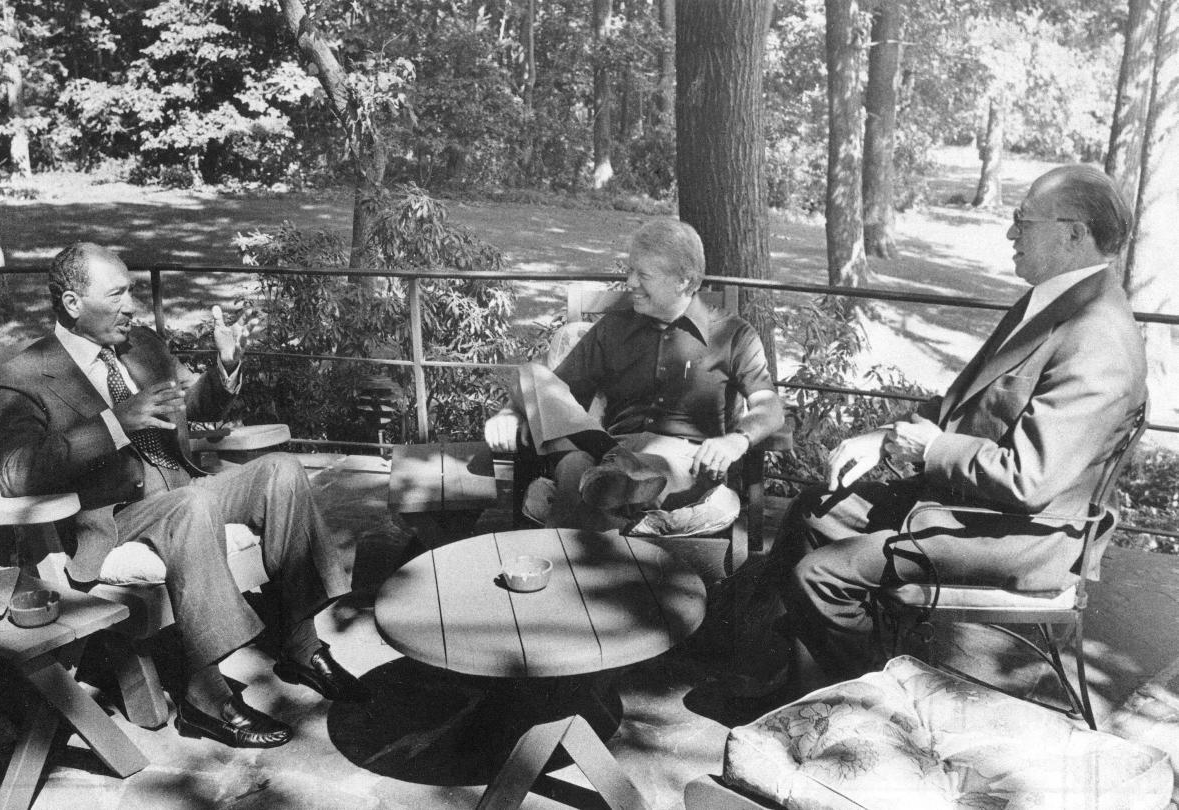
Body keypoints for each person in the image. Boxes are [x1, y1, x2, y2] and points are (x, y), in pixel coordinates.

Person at [775, 164, 1147, 683]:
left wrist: (930, 451)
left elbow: (1029, 480)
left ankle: (880, 709)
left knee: (821, 576)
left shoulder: (1098, 338)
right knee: (814, 509)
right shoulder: (1051, 302)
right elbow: (965, 403)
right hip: (976, 506)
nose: (1011, 232)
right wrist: (883, 438)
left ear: (1074, 234)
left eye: (1022, 219)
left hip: (1021, 533)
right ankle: (797, 683)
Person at [0, 242, 365, 749]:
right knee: (194, 505)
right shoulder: (26, 374)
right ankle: (205, 697)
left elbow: (189, 405)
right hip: (110, 517)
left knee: (280, 469)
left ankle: (300, 644)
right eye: (118, 294)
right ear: (73, 304)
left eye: (131, 292)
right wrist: (113, 424)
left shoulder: (139, 344)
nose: (132, 306)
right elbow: (17, 474)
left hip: (184, 485)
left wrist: (225, 369)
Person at [485, 219, 785, 534]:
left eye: (643, 275)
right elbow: (554, 395)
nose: (630, 283)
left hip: (683, 459)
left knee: (579, 471)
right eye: (629, 271)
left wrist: (737, 440)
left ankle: (586, 521)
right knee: (533, 376)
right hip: (607, 446)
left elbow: (770, 406)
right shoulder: (613, 328)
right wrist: (511, 411)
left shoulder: (733, 334)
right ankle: (612, 478)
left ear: (683, 281)